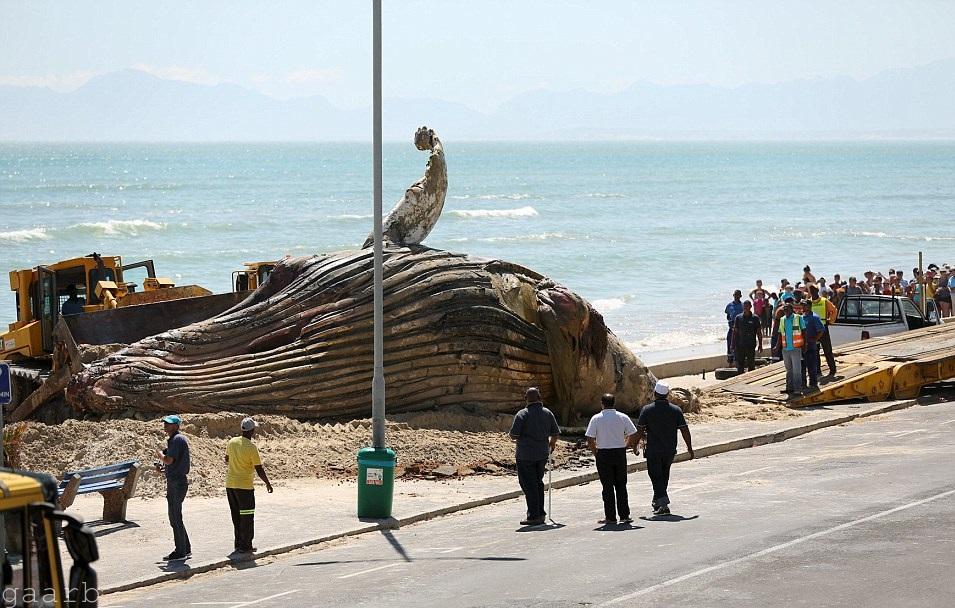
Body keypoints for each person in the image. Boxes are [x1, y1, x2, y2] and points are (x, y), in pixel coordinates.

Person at [632, 381, 693, 516]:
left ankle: (664, 504)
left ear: (655, 394)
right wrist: (690, 448)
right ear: (667, 395)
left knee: (655, 476)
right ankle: (657, 501)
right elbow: (685, 430)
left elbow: (640, 430)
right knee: (663, 476)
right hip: (669, 450)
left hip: (653, 450)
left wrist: (634, 445)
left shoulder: (647, 410)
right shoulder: (676, 410)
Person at [509, 387, 560, 526]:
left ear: (526, 398)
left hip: (525, 455)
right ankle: (540, 513)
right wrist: (552, 444)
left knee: (528, 485)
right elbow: (555, 433)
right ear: (539, 397)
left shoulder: (522, 414)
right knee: (537, 482)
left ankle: (534, 515)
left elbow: (513, 435)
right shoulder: (547, 413)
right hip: (542, 454)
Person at [585, 394, 637, 525]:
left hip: (603, 453)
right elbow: (633, 433)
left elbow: (590, 438)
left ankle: (610, 517)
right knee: (621, 485)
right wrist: (626, 444)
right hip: (619, 452)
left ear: (602, 403)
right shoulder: (622, 417)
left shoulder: (596, 418)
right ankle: (624, 515)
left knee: (607, 487)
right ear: (614, 403)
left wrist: (595, 452)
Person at [225, 417, 274, 555]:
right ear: (252, 431)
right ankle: (246, 546)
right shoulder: (251, 447)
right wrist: (268, 483)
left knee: (236, 516)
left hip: (230, 485)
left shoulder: (231, 442)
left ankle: (238, 543)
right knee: (247, 516)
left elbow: (226, 459)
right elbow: (259, 469)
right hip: (244, 487)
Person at [156, 415, 191, 561]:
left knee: (175, 517)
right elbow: (175, 463)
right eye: (165, 423)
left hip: (177, 483)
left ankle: (180, 551)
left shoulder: (177, 440)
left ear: (176, 426)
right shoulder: (175, 440)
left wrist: (160, 456)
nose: (165, 425)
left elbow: (169, 460)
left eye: (169, 424)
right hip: (176, 481)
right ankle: (185, 548)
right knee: (176, 517)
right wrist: (163, 470)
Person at [808, 284, 837, 376]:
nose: (812, 292)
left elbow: (834, 310)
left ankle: (832, 369)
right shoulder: (809, 302)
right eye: (811, 291)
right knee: (815, 352)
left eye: (814, 291)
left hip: (823, 329)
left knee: (827, 350)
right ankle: (818, 371)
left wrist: (830, 321)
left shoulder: (824, 301)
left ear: (817, 291)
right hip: (813, 330)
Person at [778, 302, 805, 395]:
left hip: (796, 348)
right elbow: (780, 333)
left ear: (791, 309)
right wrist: (777, 346)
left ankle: (797, 389)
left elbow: (804, 331)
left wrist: (804, 345)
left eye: (787, 309)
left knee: (797, 370)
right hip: (785, 349)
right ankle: (789, 388)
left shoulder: (798, 318)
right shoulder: (782, 319)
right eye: (784, 309)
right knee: (789, 370)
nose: (785, 310)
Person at [801, 300, 827, 389]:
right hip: (802, 345)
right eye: (802, 305)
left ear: (809, 306)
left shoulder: (814, 317)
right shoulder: (801, 317)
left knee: (811, 366)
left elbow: (821, 330)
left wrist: (815, 339)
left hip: (811, 346)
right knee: (802, 366)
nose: (803, 307)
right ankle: (803, 384)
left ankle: (813, 383)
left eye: (804, 305)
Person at [733, 300, 763, 373]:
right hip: (740, 345)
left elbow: (759, 332)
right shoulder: (738, 318)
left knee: (751, 365)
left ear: (751, 307)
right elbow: (735, 332)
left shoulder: (755, 318)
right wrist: (733, 344)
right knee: (740, 365)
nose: (745, 307)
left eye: (747, 306)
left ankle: (751, 381)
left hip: (751, 345)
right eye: (744, 306)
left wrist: (760, 345)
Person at [724, 290, 744, 365]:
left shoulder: (743, 305)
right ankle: (730, 362)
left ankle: (738, 362)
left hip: (740, 329)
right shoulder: (729, 306)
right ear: (733, 295)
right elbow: (728, 316)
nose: (736, 296)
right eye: (735, 295)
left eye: (738, 295)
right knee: (730, 345)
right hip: (731, 328)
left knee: (739, 346)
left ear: (740, 296)